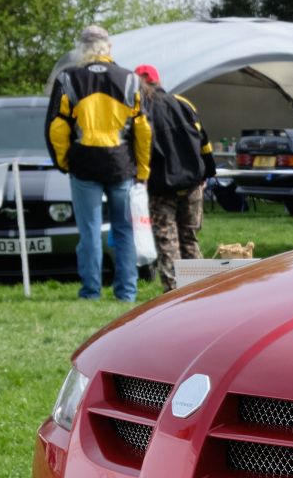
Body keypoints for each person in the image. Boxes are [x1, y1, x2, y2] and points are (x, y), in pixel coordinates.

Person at [46, 24, 149, 302]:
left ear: (82, 49)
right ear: (108, 47)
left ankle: (91, 291)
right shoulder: (129, 79)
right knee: (124, 230)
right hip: (121, 164)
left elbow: (57, 127)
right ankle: (127, 292)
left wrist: (63, 161)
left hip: (84, 164)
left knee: (89, 232)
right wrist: (143, 169)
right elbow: (143, 129)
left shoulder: (68, 78)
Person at [135, 64, 215, 291]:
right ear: (158, 81)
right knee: (189, 238)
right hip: (192, 184)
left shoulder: (140, 108)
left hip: (161, 187)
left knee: (167, 241)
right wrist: (207, 172)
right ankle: (200, 289)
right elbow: (204, 141)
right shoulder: (183, 103)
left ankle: (172, 291)